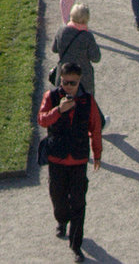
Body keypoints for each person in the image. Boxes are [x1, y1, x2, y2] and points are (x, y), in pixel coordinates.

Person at [38, 58, 104, 258]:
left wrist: (97, 153)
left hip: (78, 159)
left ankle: (76, 245)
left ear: (79, 81)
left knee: (78, 203)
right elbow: (42, 120)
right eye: (64, 82)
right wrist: (59, 110)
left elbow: (95, 127)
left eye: (72, 83)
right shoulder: (51, 96)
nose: (67, 87)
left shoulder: (88, 100)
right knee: (58, 198)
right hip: (57, 158)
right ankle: (61, 220)